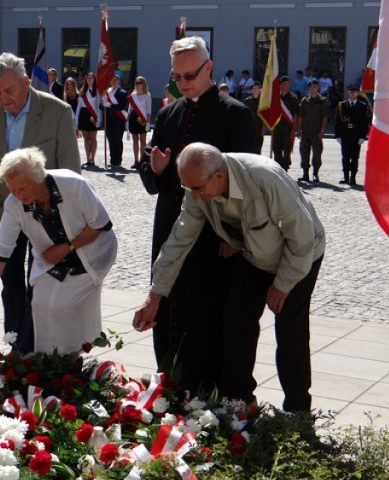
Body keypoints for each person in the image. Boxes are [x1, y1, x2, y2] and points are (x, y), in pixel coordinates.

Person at [133, 142, 325, 412]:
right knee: (236, 322)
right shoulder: (198, 187)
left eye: (198, 189)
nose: (195, 196)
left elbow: (302, 238)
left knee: (290, 330)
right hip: (254, 255)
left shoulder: (266, 178)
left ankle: (298, 409)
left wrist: (283, 284)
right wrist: (155, 295)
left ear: (219, 177)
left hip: (299, 256)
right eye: (188, 189)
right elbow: (178, 241)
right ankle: (239, 400)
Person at [138, 36, 255, 393]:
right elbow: (149, 174)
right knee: (167, 301)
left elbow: (245, 182)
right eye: (177, 77)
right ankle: (169, 379)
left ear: (209, 68)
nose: (183, 83)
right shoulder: (169, 113)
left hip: (212, 235)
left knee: (205, 310)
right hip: (168, 225)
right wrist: (156, 170)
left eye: (190, 75)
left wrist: (231, 236)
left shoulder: (235, 114)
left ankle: (205, 387)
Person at [0, 52, 81, 352]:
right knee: (11, 284)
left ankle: (41, 345)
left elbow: (71, 171)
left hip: (47, 212)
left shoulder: (58, 112)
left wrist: (69, 219)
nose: (4, 99)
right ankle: (16, 343)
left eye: (9, 91)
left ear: (26, 83)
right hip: (8, 211)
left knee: (41, 282)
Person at [0, 147, 117, 354]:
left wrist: (66, 248)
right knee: (39, 305)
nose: (18, 195)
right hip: (52, 257)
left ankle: (72, 358)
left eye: (23, 188)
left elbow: (100, 225)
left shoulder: (74, 185)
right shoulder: (14, 205)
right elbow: (0, 253)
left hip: (93, 251)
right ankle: (46, 362)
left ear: (38, 177)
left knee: (65, 306)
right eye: (13, 190)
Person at [335, 84, 372, 186]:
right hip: (345, 134)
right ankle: (346, 177)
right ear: (348, 93)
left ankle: (353, 178)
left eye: (354, 92)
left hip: (356, 135)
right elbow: (337, 121)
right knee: (345, 157)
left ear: (357, 93)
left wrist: (363, 136)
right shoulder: (342, 105)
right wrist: (337, 135)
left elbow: (364, 123)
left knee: (355, 157)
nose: (352, 94)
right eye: (351, 92)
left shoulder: (362, 106)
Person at [296, 79, 330, 182]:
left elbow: (325, 117)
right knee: (304, 152)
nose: (313, 88)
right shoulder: (304, 101)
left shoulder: (323, 101)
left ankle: (315, 173)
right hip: (305, 131)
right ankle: (305, 173)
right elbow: (301, 116)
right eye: (311, 87)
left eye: (315, 86)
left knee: (317, 153)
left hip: (317, 131)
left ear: (318, 88)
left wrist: (323, 130)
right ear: (309, 88)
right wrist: (298, 129)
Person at [271, 76, 300, 171]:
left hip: (288, 128)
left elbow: (295, 115)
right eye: (281, 84)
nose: (283, 86)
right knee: (276, 148)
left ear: (288, 84)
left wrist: (294, 129)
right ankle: (278, 168)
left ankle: (286, 167)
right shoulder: (275, 97)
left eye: (285, 84)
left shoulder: (293, 98)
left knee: (287, 149)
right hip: (277, 127)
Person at [75, 72, 102, 167]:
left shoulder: (97, 92)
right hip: (83, 115)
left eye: (91, 78)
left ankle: (92, 159)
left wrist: (98, 119)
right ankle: (87, 159)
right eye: (88, 78)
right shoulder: (82, 91)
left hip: (93, 115)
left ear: (94, 80)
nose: (89, 79)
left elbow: (98, 106)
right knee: (86, 139)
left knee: (93, 138)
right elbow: (78, 106)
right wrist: (77, 119)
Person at [102, 74, 128, 167]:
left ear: (119, 81)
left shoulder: (123, 93)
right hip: (108, 120)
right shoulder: (106, 92)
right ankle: (112, 160)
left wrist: (110, 105)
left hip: (118, 120)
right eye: (112, 80)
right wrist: (103, 102)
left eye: (116, 80)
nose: (114, 81)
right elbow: (101, 107)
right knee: (110, 140)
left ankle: (118, 160)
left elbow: (121, 106)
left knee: (117, 140)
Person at [127, 75, 152, 169]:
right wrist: (127, 120)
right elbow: (130, 110)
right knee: (135, 140)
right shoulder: (132, 96)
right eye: (136, 83)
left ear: (143, 84)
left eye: (139, 83)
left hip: (143, 120)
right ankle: (136, 161)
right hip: (134, 119)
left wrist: (148, 123)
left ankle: (142, 160)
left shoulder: (147, 95)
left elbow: (149, 111)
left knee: (143, 141)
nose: (137, 84)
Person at [243, 80, 265, 154]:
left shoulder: (263, 101)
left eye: (256, 88)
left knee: (258, 149)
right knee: (249, 149)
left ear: (260, 89)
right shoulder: (247, 101)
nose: (254, 89)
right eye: (253, 88)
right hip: (249, 129)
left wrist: (263, 129)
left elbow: (265, 117)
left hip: (259, 129)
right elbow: (245, 115)